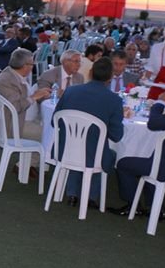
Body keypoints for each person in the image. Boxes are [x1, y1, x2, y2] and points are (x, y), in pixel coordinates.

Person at [52, 57, 124, 207]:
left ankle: (72, 193)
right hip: (93, 155)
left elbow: (55, 121)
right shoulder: (114, 100)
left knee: (78, 145)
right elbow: (117, 136)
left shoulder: (71, 91)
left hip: (65, 149)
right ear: (110, 77)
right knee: (102, 150)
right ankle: (91, 197)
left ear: (90, 73)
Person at [110, 82, 165, 217]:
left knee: (123, 164)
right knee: (152, 159)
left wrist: (160, 103)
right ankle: (156, 207)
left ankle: (133, 205)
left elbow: (154, 124)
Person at [0, 49, 51, 175]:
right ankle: (28, 164)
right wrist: (34, 97)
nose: (32, 67)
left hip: (22, 120)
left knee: (48, 126)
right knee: (49, 135)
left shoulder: (15, 74)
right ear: (25, 66)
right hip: (14, 125)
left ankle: (28, 163)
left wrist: (36, 94)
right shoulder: (7, 80)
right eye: (31, 64)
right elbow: (15, 106)